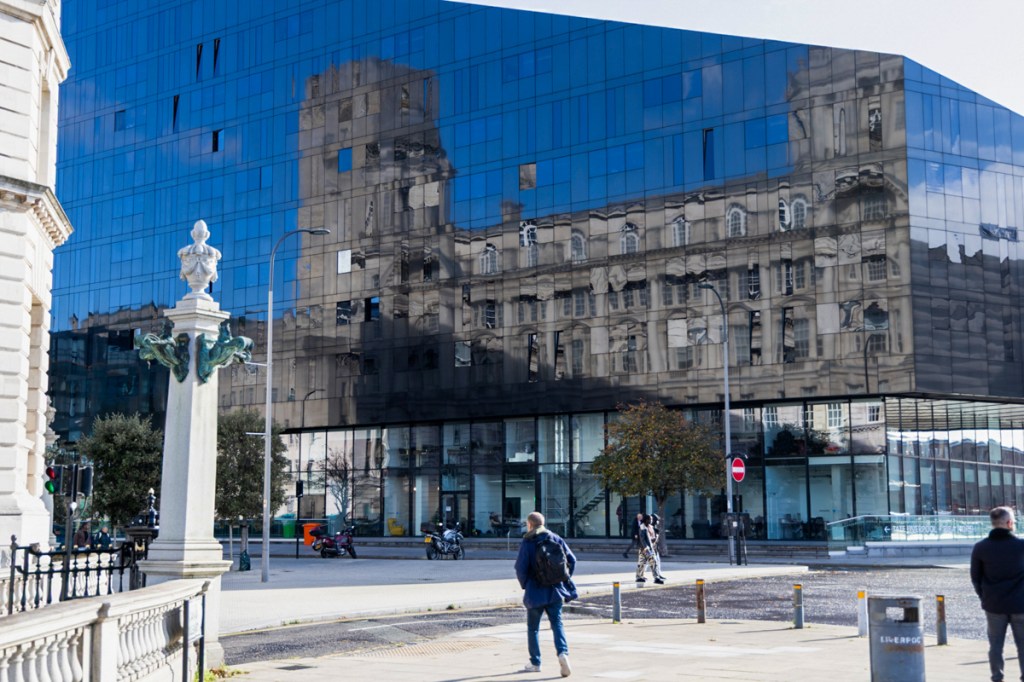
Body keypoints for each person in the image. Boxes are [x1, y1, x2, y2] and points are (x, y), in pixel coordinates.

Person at [515, 511, 576, 677]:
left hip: (535, 591)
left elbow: (520, 568)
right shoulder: (555, 538)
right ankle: (563, 653)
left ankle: (535, 662)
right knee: (557, 624)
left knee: (533, 629)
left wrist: (526, 584)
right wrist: (562, 578)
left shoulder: (528, 542)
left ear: (529, 524)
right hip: (555, 590)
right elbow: (572, 560)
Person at [971, 506, 1024, 682]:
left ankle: (997, 677)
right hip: (1020, 604)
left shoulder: (980, 547)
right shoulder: (1021, 546)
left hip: (993, 604)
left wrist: (984, 597)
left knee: (995, 645)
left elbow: (976, 578)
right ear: (1009, 523)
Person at [635, 514, 666, 585]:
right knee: (653, 561)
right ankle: (656, 578)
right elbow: (642, 539)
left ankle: (639, 577)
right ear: (646, 520)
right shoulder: (642, 527)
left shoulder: (650, 527)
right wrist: (646, 547)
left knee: (642, 563)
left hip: (648, 548)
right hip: (646, 549)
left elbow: (651, 537)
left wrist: (654, 539)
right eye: (650, 519)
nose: (651, 520)